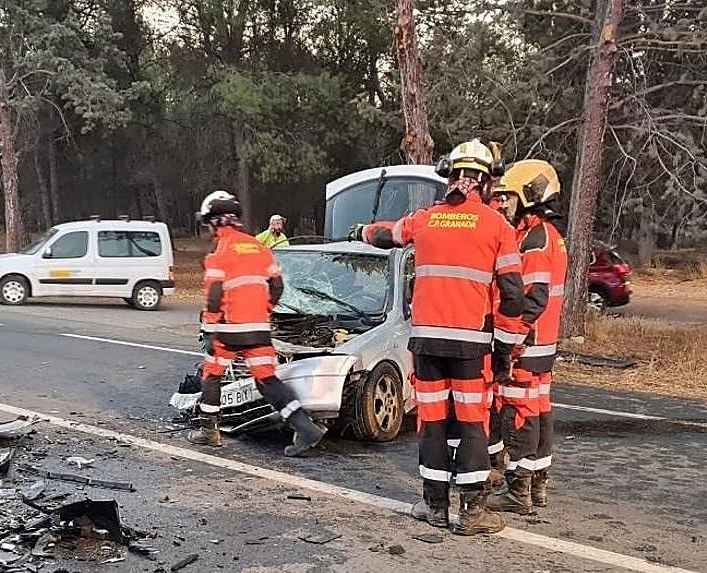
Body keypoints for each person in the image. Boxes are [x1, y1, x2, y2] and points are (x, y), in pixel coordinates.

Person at [349, 140, 525, 535]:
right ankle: (473, 514)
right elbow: (513, 295)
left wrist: (360, 231)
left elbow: (386, 234)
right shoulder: (498, 227)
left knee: (432, 422)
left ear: (450, 177)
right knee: (471, 423)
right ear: (487, 182)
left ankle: (434, 507)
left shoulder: (426, 219)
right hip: (470, 347)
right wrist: (506, 349)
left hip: (426, 345)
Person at [189, 190, 326, 456]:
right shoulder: (260, 247)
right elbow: (277, 286)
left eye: (207, 223)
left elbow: (214, 296)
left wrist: (209, 329)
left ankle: (209, 431)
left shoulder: (220, 253)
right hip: (259, 329)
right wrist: (263, 311)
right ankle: (304, 427)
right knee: (267, 379)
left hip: (229, 329)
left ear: (216, 222)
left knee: (212, 373)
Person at [487, 159, 567, 514]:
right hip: (542, 343)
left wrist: (510, 341)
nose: (504, 203)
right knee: (539, 408)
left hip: (527, 343)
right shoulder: (547, 235)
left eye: (509, 197)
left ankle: (517, 488)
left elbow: (531, 299)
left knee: (518, 411)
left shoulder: (535, 240)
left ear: (529, 197)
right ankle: (537, 485)